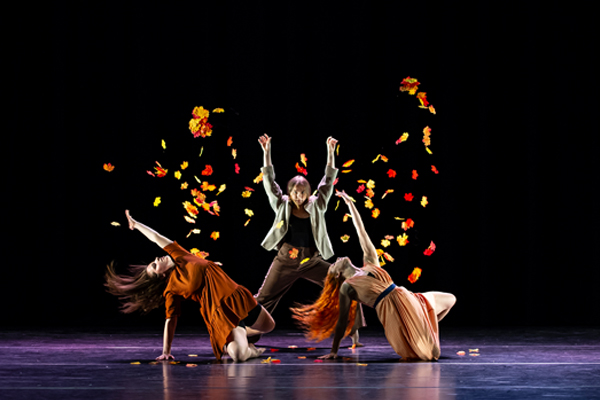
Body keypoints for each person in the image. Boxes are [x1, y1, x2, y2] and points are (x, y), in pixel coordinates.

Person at [291, 191, 456, 361]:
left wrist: (349, 204)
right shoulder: (348, 287)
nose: (336, 260)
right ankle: (420, 330)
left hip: (406, 296)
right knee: (430, 353)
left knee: (450, 299)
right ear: (338, 273)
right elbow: (342, 322)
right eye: (333, 265)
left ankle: (425, 326)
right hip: (392, 311)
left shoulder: (370, 262)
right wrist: (334, 351)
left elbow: (360, 230)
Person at [105, 210, 275, 362]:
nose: (157, 259)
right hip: (219, 313)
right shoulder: (171, 289)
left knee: (269, 326)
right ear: (161, 277)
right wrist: (166, 351)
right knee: (238, 356)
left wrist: (136, 224)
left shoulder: (180, 255)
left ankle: (244, 333)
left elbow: (156, 237)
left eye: (153, 262)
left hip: (236, 298)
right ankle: (250, 349)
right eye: (155, 266)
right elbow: (170, 320)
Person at [255, 134, 364, 345]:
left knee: (345, 284)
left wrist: (330, 152)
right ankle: (248, 332)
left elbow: (328, 180)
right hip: (286, 259)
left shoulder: (317, 204)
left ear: (308, 192)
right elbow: (268, 181)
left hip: (311, 260)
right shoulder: (281, 204)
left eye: (303, 192)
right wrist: (266, 152)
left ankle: (354, 334)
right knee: (263, 298)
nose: (299, 196)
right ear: (289, 192)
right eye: (295, 192)